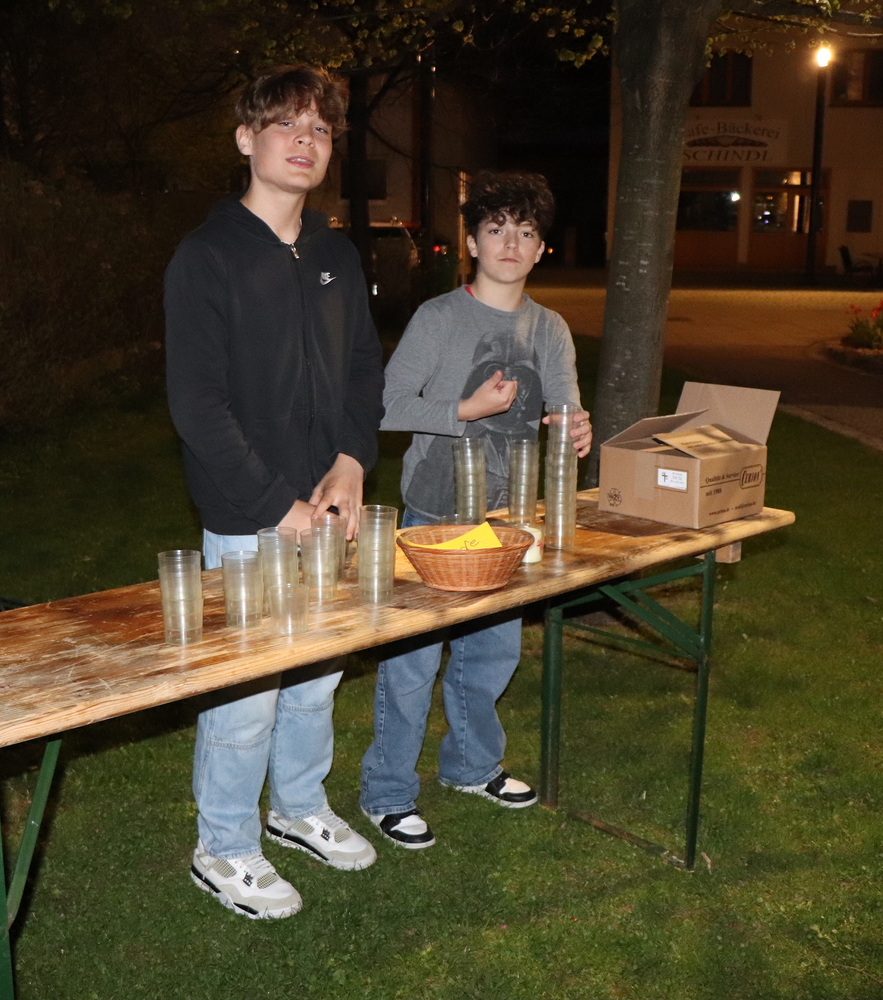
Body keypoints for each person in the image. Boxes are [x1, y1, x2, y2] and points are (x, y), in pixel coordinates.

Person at [164, 65, 384, 919]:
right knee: (248, 695)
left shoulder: (336, 254)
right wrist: (275, 506)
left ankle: (296, 807)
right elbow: (197, 406)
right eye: (286, 124)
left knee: (317, 680)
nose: (305, 141)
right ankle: (222, 846)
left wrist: (353, 461)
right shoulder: (207, 256)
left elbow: (363, 369)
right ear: (245, 139)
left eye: (320, 129)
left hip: (327, 509)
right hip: (249, 517)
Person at [359, 170, 592, 849]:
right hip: (434, 515)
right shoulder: (439, 319)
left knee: (491, 653)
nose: (510, 244)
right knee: (412, 663)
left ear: (541, 248)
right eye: (496, 230)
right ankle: (387, 793)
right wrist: (466, 409)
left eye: (526, 232)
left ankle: (471, 766)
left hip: (507, 522)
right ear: (471, 242)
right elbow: (386, 406)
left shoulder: (550, 328)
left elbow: (563, 410)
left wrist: (575, 428)